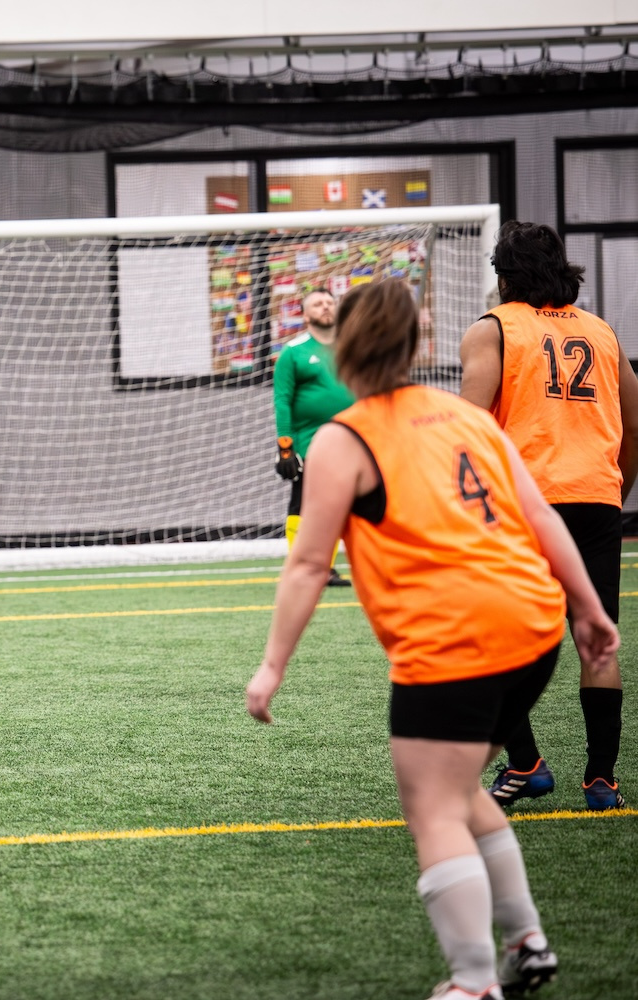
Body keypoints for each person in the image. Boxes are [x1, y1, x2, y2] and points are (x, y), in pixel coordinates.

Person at [247, 280, 618, 1000]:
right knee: (458, 789)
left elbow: (309, 565)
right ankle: (527, 941)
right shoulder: (466, 417)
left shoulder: (344, 439)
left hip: (455, 639)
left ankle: (474, 982)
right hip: (534, 628)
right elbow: (541, 517)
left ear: (345, 348)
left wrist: (271, 667)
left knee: (433, 808)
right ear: (416, 346)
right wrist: (588, 609)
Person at [459, 221, 638, 811]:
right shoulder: (602, 332)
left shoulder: (493, 329)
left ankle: (527, 764)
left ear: (504, 276)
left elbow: (467, 431)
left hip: (524, 505)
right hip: (596, 501)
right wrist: (614, 490)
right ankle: (602, 781)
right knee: (597, 642)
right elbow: (635, 425)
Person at [273, 288, 354, 586]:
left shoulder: (352, 348)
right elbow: (282, 400)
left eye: (330, 302)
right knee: (304, 503)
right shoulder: (293, 352)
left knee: (348, 505)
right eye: (318, 304)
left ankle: (335, 567)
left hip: (353, 440)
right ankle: (304, 567)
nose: (326, 307)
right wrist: (285, 446)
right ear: (306, 315)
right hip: (310, 443)